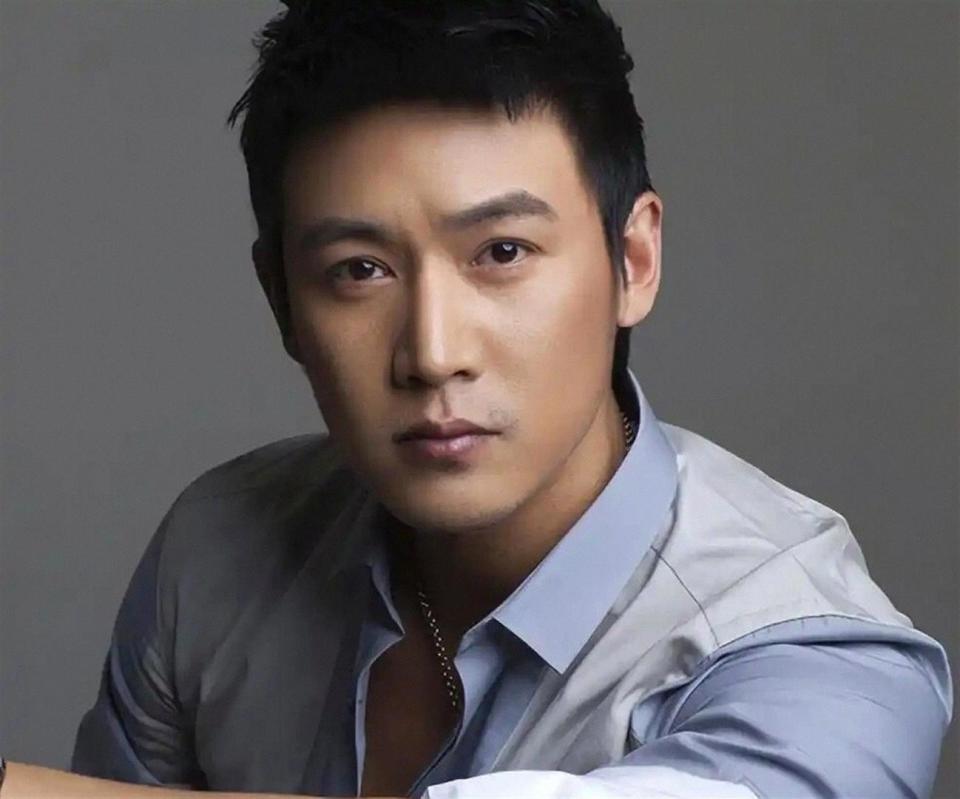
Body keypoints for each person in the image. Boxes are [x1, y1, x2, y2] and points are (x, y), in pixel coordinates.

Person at [0, 1, 953, 797]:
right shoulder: (219, 549)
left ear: (633, 260)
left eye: (502, 252)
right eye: (359, 269)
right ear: (280, 299)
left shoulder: (823, 666)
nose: (433, 353)